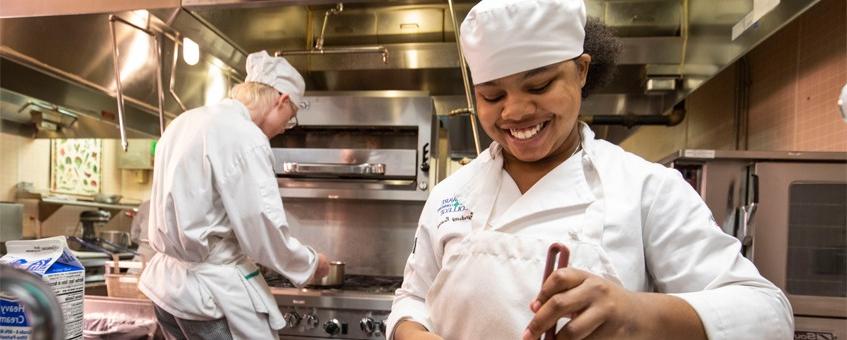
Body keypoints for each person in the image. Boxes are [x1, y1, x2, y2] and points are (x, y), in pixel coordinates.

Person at [386, 1, 794, 339]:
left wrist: (638, 311)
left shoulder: (643, 189)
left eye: (539, 86)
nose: (515, 111)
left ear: (581, 70)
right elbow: (412, 299)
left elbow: (769, 313)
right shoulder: (450, 195)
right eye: (493, 95)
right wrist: (411, 331)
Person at [139, 50, 330, 339]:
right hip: (208, 296)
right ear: (281, 100)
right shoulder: (245, 137)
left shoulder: (183, 122)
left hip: (167, 290)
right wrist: (311, 263)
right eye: (289, 119)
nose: (282, 130)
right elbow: (262, 230)